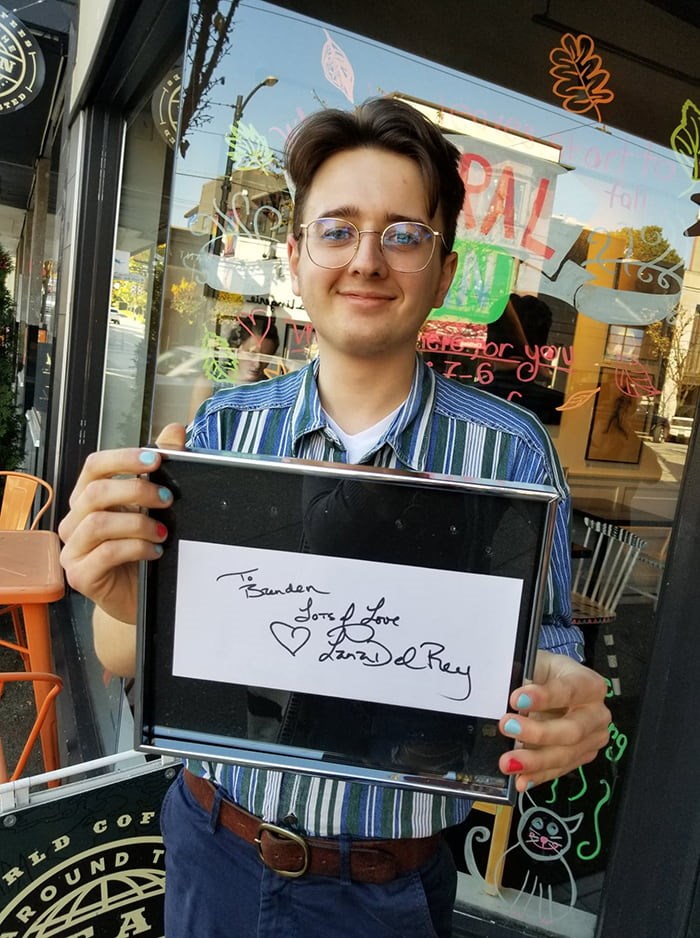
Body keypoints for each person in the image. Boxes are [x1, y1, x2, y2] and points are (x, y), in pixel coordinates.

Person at [59, 97, 610, 938]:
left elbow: (549, 650)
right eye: (337, 229)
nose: (366, 260)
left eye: (402, 234)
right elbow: (122, 648)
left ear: (446, 265)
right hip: (217, 848)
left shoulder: (513, 453)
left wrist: (565, 707)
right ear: (296, 254)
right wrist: (118, 587)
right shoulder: (223, 432)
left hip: (390, 890)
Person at [188, 313, 280, 418]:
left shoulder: (271, 392)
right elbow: (194, 431)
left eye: (266, 357)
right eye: (252, 353)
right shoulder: (209, 383)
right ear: (236, 349)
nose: (258, 363)